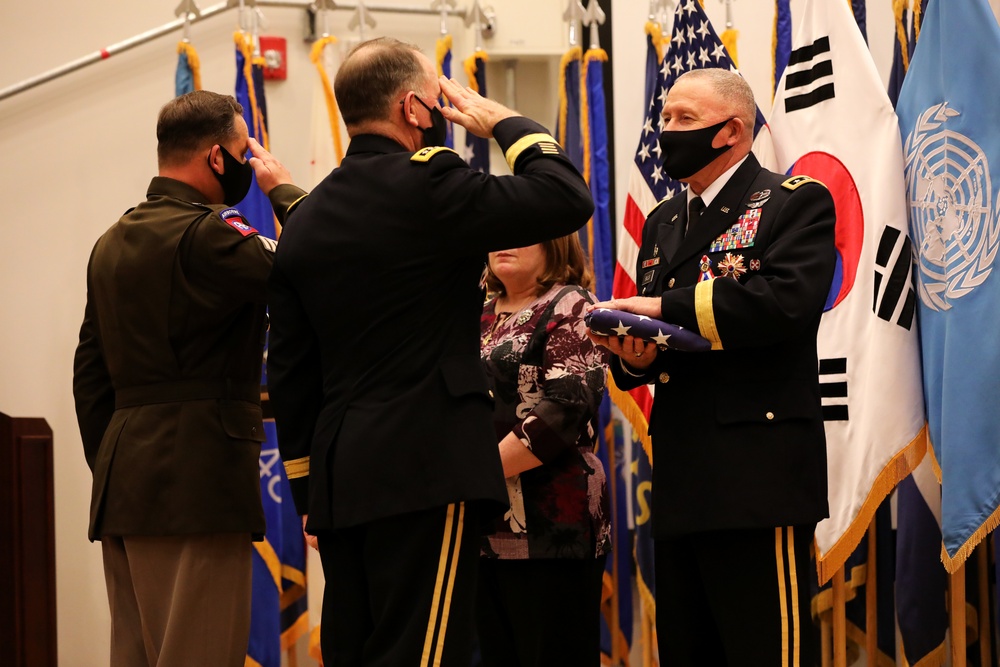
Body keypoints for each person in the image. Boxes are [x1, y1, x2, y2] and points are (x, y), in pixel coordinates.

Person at [252, 37, 595, 666]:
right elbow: (568, 196)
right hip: (426, 465)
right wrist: (501, 122)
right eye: (435, 101)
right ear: (414, 109)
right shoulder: (432, 186)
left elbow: (293, 378)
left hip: (340, 476)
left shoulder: (306, 219)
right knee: (422, 652)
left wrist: (309, 499)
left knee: (355, 648)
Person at [588, 68, 837, 666]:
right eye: (665, 117)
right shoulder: (663, 221)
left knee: (766, 651)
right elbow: (666, 339)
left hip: (758, 475)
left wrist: (663, 306)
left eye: (683, 120)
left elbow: (783, 304)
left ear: (731, 131)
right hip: (681, 474)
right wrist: (636, 358)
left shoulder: (793, 202)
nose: (665, 130)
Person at [72, 90, 284, 667]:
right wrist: (283, 191)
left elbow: (89, 375)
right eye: (244, 152)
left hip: (124, 484)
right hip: (199, 480)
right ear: (218, 158)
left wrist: (120, 460)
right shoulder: (213, 234)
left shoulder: (109, 243)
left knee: (136, 656)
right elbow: (312, 268)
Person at [476, 234, 611, 667]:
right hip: (478, 530)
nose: (504, 241)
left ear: (555, 242)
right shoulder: (472, 312)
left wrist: (468, 474)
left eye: (522, 229)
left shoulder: (571, 304)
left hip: (553, 528)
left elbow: (563, 411)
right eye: (496, 229)